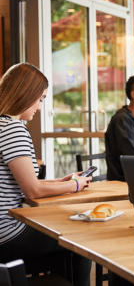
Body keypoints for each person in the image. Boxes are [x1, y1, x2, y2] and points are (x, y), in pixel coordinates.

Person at [0, 63, 91, 285]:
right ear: (26, 94)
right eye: (40, 98)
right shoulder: (13, 128)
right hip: (7, 233)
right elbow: (33, 190)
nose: (40, 107)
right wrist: (75, 185)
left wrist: (58, 181)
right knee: (80, 240)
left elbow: (22, 182)